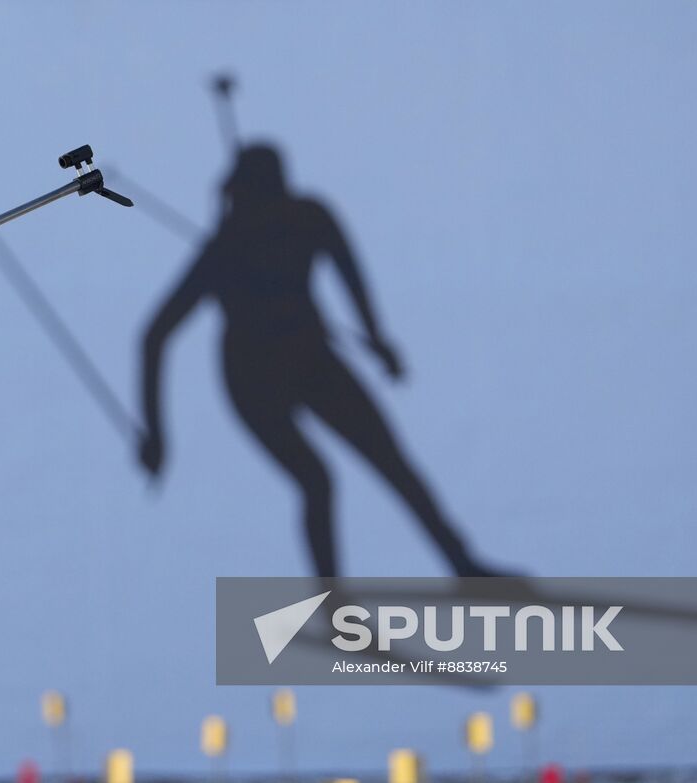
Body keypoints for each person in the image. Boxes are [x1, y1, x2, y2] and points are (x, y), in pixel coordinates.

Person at [138, 143, 507, 578]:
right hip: (252, 380)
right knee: (317, 481)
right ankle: (336, 609)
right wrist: (158, 433)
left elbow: (350, 275)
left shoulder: (305, 218)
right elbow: (155, 336)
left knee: (391, 460)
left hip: (311, 358)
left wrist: (376, 338)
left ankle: (462, 564)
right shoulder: (228, 246)